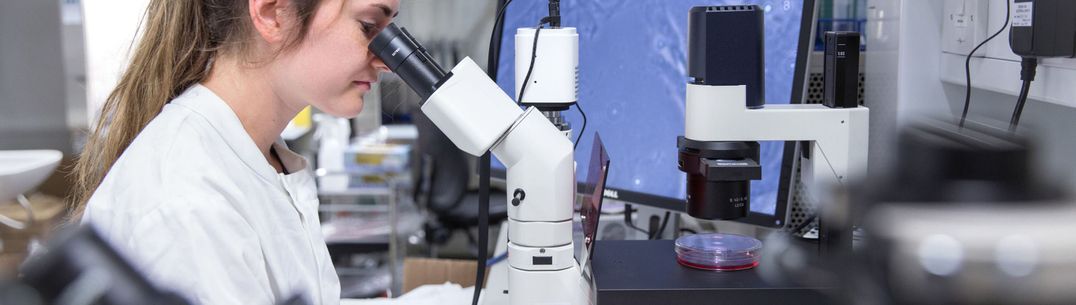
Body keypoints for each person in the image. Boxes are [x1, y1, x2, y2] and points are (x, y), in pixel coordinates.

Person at [70, 0, 400, 304]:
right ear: (274, 14)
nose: (387, 61)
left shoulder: (256, 156)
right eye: (368, 26)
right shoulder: (189, 199)